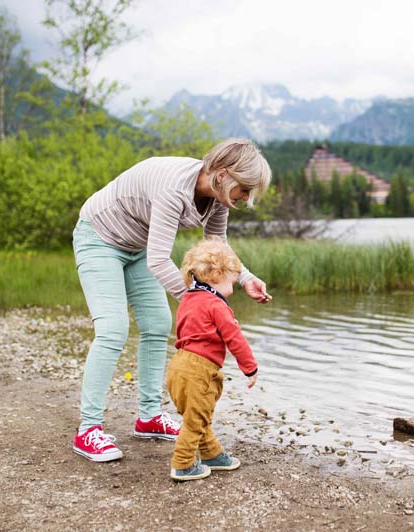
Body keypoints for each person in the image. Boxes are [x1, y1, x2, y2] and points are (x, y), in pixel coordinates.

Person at [71, 139, 272, 463]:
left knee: (157, 324)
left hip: (137, 247)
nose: (246, 198)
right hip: (99, 237)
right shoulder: (173, 188)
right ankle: (88, 429)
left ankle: (149, 417)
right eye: (245, 189)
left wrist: (246, 278)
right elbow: (160, 260)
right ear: (223, 174)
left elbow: (218, 246)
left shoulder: (219, 198)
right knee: (113, 329)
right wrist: (198, 301)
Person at [167, 238, 260, 481]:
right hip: (199, 369)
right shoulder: (217, 304)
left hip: (178, 365)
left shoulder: (189, 298)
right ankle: (183, 464)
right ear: (217, 274)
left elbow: (191, 331)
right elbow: (235, 338)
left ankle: (211, 454)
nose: (233, 286)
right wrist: (250, 368)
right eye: (232, 280)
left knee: (198, 415)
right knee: (195, 421)